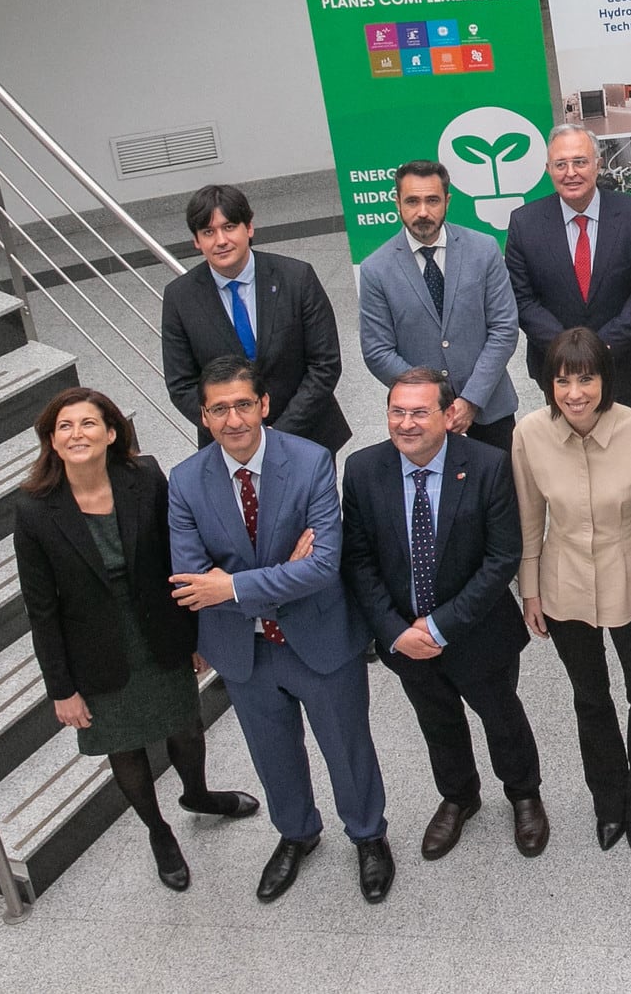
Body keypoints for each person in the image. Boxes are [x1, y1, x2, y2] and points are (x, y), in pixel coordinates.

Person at [12, 388, 257, 892]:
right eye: (65, 427)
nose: (77, 433)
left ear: (110, 432)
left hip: (158, 629)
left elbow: (178, 555)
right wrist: (61, 688)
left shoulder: (144, 477)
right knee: (124, 746)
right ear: (52, 441)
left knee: (186, 726)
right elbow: (41, 609)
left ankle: (198, 795)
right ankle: (158, 830)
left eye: (87, 423)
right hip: (96, 650)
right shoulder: (35, 510)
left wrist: (194, 633)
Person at [167, 356, 392, 904]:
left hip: (319, 638)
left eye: (243, 404)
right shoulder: (184, 481)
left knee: (347, 745)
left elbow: (321, 566)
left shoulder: (311, 461)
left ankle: (368, 835)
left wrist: (234, 586)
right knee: (272, 752)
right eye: (219, 409)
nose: (233, 419)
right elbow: (194, 581)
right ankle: (296, 832)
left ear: (264, 405)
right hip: (243, 649)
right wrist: (277, 573)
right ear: (204, 416)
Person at [339, 367, 548, 865]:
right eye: (397, 411)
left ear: (449, 414)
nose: (406, 424)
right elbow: (359, 559)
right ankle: (459, 796)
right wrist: (394, 631)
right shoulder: (363, 470)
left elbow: (502, 558)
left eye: (419, 412)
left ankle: (523, 793)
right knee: (436, 719)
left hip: (477, 632)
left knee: (501, 715)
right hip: (404, 639)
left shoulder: (488, 465)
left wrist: (438, 626)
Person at [511, 328, 631, 852]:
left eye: (587, 378)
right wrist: (530, 592)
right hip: (564, 584)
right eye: (562, 381)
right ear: (548, 384)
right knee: (590, 698)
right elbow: (530, 521)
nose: (575, 392)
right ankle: (609, 800)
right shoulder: (529, 434)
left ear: (607, 379)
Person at [161, 184, 351, 454]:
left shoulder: (296, 278)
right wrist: (232, 428)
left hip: (307, 435)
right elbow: (181, 384)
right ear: (196, 241)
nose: (221, 240)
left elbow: (325, 364)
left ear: (248, 228)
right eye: (208, 232)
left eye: (229, 227)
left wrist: (279, 433)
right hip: (227, 443)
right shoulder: (180, 297)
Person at [358, 160, 522, 453]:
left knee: (503, 493)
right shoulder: (375, 270)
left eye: (432, 200)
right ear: (397, 203)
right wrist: (431, 402)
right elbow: (377, 351)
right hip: (422, 419)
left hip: (489, 408)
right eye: (412, 201)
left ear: (447, 200)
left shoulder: (484, 250)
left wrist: (471, 399)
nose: (423, 212)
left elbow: (504, 329)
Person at [506, 124, 631, 413]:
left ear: (598, 164)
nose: (571, 172)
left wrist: (603, 347)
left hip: (625, 369)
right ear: (548, 169)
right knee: (566, 456)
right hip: (557, 373)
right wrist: (568, 351)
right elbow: (521, 298)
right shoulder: (523, 223)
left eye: (580, 162)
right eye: (560, 164)